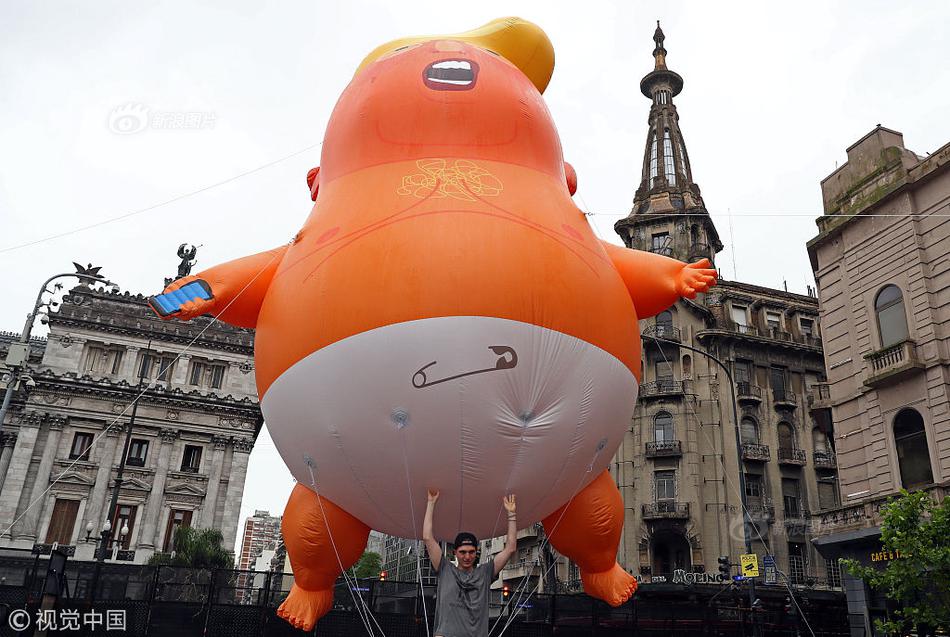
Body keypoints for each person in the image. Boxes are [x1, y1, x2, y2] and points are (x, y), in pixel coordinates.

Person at [423, 490, 517, 637]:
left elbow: (510, 548)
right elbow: (427, 537)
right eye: (463, 552)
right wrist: (431, 503)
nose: (467, 556)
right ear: (455, 552)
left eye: (471, 552)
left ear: (477, 552)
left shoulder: (485, 572)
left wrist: (512, 514)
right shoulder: (445, 569)